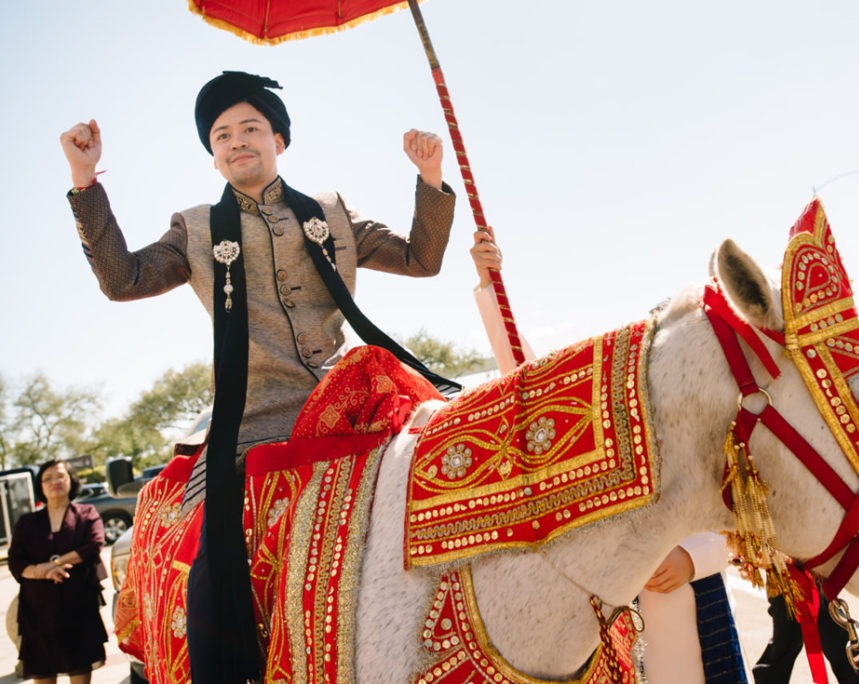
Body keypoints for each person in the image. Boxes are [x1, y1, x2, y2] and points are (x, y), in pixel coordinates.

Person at [60, 71, 456, 683]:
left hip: (352, 401)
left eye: (250, 128)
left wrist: (430, 180)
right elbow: (123, 280)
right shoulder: (194, 229)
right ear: (213, 155)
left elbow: (421, 259)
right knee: (217, 566)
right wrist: (85, 182)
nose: (237, 140)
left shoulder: (331, 213)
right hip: (251, 426)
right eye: (222, 134)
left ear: (279, 139)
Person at [470, 229, 747, 683]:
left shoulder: (711, 440)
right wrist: (490, 287)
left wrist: (689, 560)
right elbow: (532, 382)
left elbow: (738, 527)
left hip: (697, 613)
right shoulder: (611, 427)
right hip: (625, 628)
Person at [7, 460, 107, 684]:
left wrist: (57, 562)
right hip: (37, 612)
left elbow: (94, 545)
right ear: (40, 486)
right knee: (43, 672)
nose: (55, 482)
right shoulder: (26, 522)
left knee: (79, 667)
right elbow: (16, 560)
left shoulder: (86, 513)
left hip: (79, 607)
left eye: (60, 476)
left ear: (71, 480)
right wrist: (42, 571)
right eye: (47, 478)